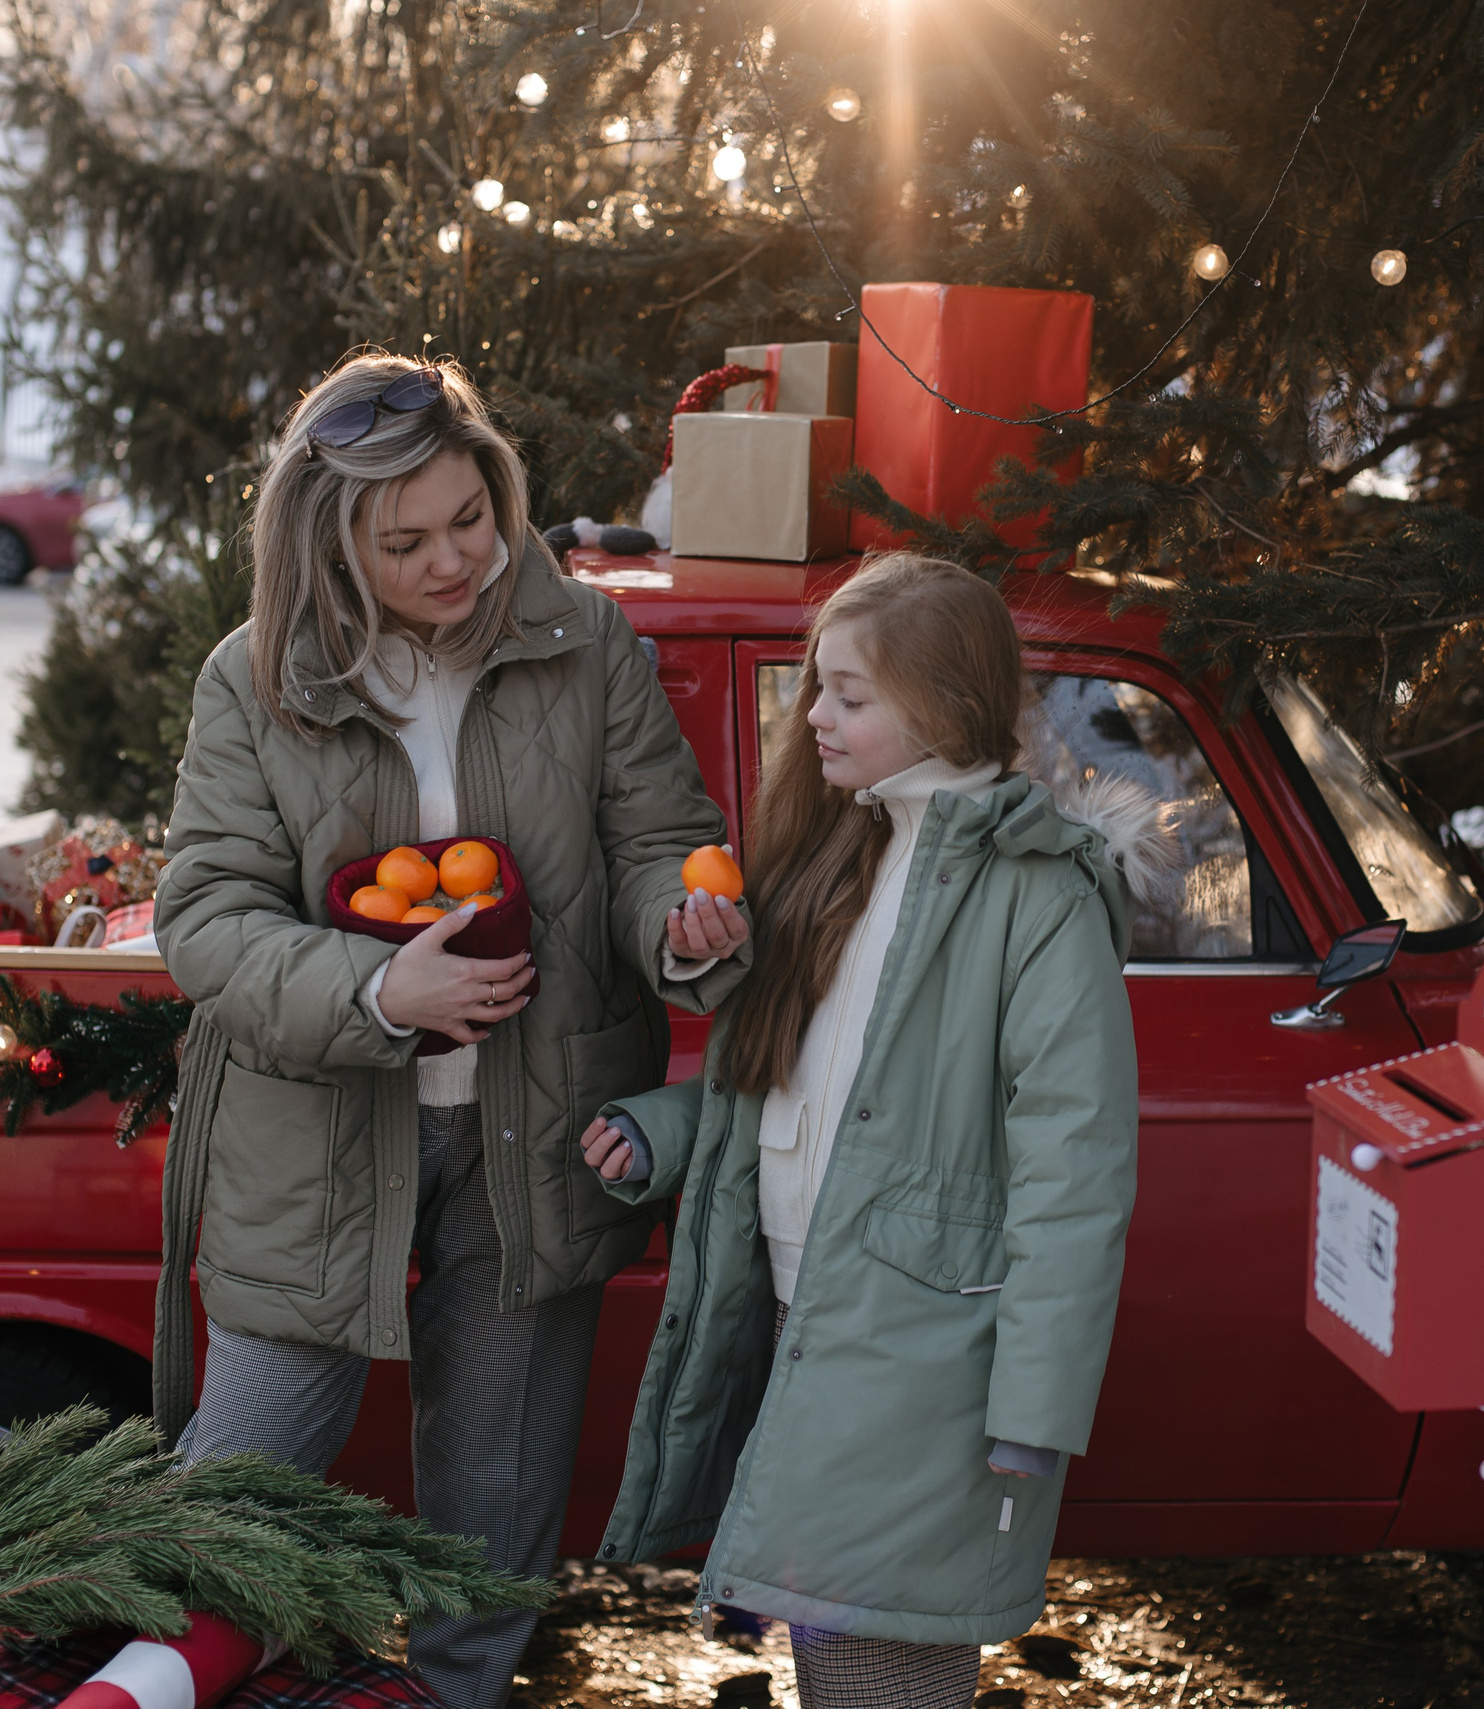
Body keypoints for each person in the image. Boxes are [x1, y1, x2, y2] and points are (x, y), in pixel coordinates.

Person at [152, 354, 751, 1709]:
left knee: (497, 1481)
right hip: (317, 1131)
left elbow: (659, 841)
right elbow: (206, 913)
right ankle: (153, 1685)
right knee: (241, 1473)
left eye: (470, 521)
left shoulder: (581, 640)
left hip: (532, 1132)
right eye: (402, 541)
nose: (452, 562)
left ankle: (457, 1699)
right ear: (330, 544)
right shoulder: (254, 677)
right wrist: (377, 995)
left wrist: (681, 926)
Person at [576, 554, 1166, 1709]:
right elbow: (805, 1085)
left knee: (880, 1667)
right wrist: (669, 1128)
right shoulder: (841, 848)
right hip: (809, 1311)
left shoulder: (1037, 896)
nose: (816, 715)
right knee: (830, 1654)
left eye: (849, 694)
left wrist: (1034, 1411)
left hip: (929, 1349)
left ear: (943, 705)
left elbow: (1074, 1173)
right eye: (815, 686)